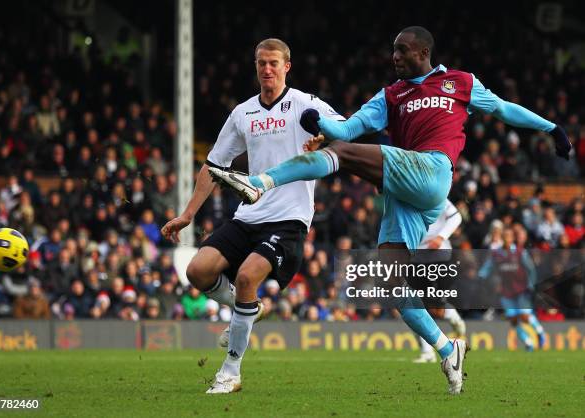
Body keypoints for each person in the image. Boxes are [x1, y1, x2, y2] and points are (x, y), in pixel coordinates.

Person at [210, 26, 571, 394]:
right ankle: (449, 350)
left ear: (423, 52)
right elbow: (347, 128)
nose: (395, 57)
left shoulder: (459, 83)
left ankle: (260, 182)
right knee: (393, 283)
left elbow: (503, 108)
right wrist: (320, 124)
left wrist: (551, 127)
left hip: (431, 171)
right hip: (403, 195)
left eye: (402, 50)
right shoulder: (390, 96)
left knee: (342, 156)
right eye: (393, 51)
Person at [160, 38, 344, 394]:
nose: (267, 69)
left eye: (274, 62)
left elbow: (344, 130)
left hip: (289, 218)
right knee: (197, 271)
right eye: (261, 63)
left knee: (247, 277)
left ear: (287, 66)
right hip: (249, 214)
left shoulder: (305, 104)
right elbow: (214, 165)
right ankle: (246, 310)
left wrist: (321, 138)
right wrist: (187, 215)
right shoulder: (243, 113)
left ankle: (230, 372)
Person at [413, 199, 466, 363]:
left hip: (438, 256)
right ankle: (427, 352)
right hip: (415, 257)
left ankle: (453, 317)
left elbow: (456, 217)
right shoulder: (405, 197)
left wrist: (440, 237)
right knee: (415, 306)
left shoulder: (435, 195)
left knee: (435, 309)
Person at [478, 228, 546, 351]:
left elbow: (530, 269)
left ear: (512, 238)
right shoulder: (497, 253)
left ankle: (540, 332)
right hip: (506, 291)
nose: (506, 239)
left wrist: (531, 284)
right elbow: (488, 266)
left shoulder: (520, 252)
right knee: (513, 319)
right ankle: (528, 342)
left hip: (521, 289)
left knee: (524, 316)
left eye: (509, 236)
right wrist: (481, 275)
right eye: (504, 236)